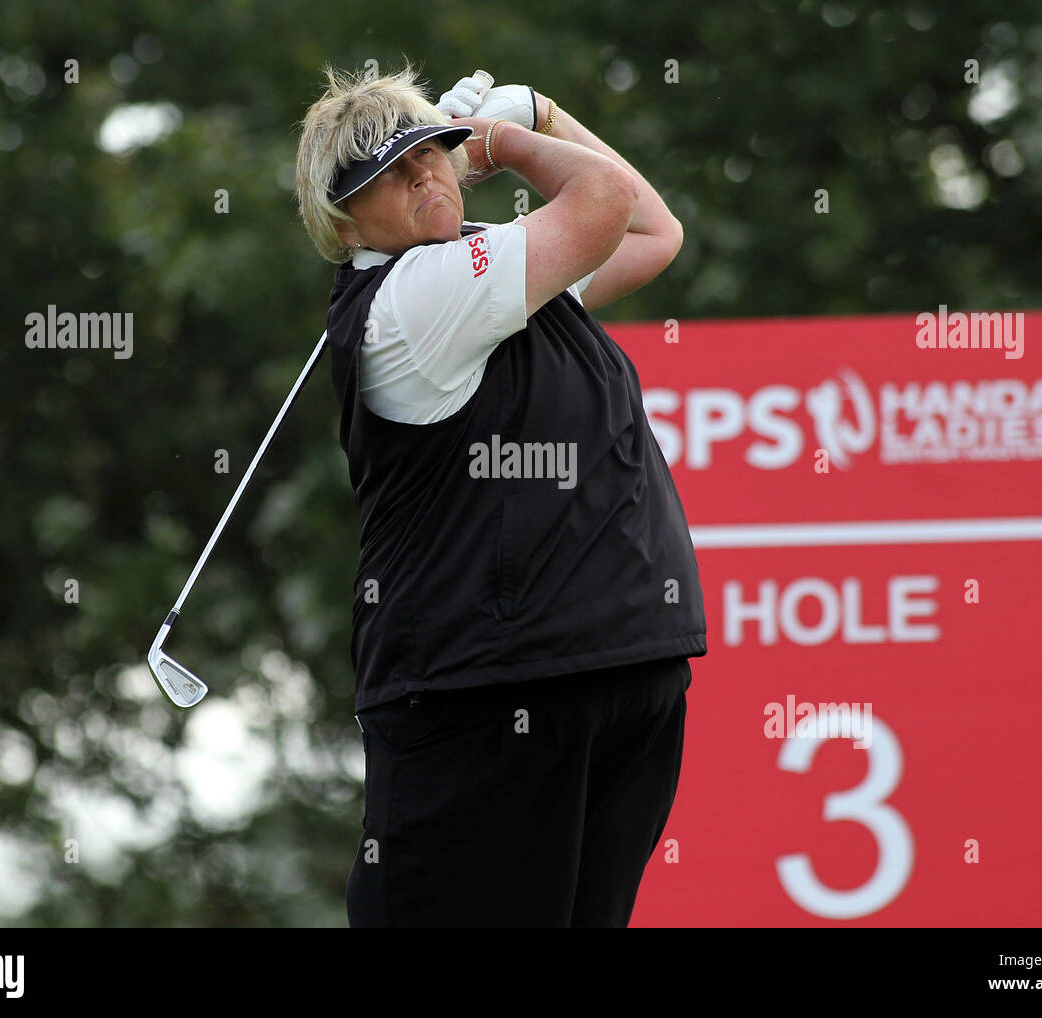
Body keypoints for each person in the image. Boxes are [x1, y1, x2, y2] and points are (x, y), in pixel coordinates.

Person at [294, 60, 707, 927]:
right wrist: (514, 139)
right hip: (483, 696)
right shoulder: (413, 296)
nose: (420, 177)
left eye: (428, 155)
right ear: (345, 220)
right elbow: (601, 204)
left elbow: (651, 233)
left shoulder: (493, 282)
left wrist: (548, 110)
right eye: (388, 175)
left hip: (607, 674)